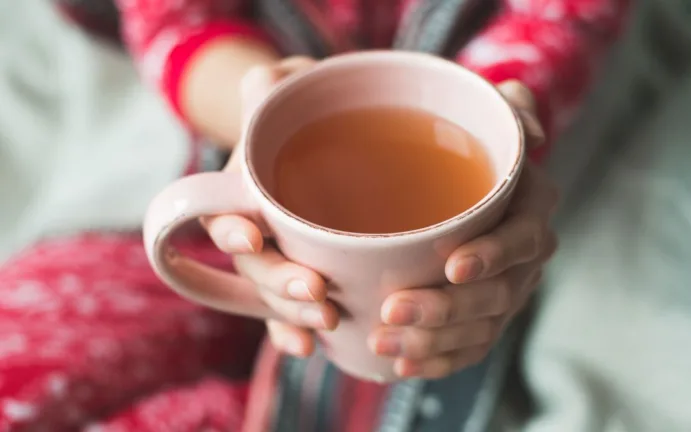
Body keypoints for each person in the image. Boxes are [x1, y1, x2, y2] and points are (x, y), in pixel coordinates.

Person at [0, 0, 628, 430]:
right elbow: (175, 20)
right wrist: (266, 111)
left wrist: (502, 144)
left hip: (437, 268)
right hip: (225, 174)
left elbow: (559, 24)